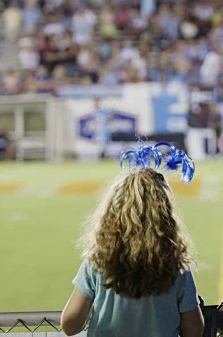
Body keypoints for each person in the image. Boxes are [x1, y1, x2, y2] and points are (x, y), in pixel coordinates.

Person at [61, 143, 203, 337]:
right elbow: (194, 331)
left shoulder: (99, 261)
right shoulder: (176, 265)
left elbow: (70, 324)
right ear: (165, 213)